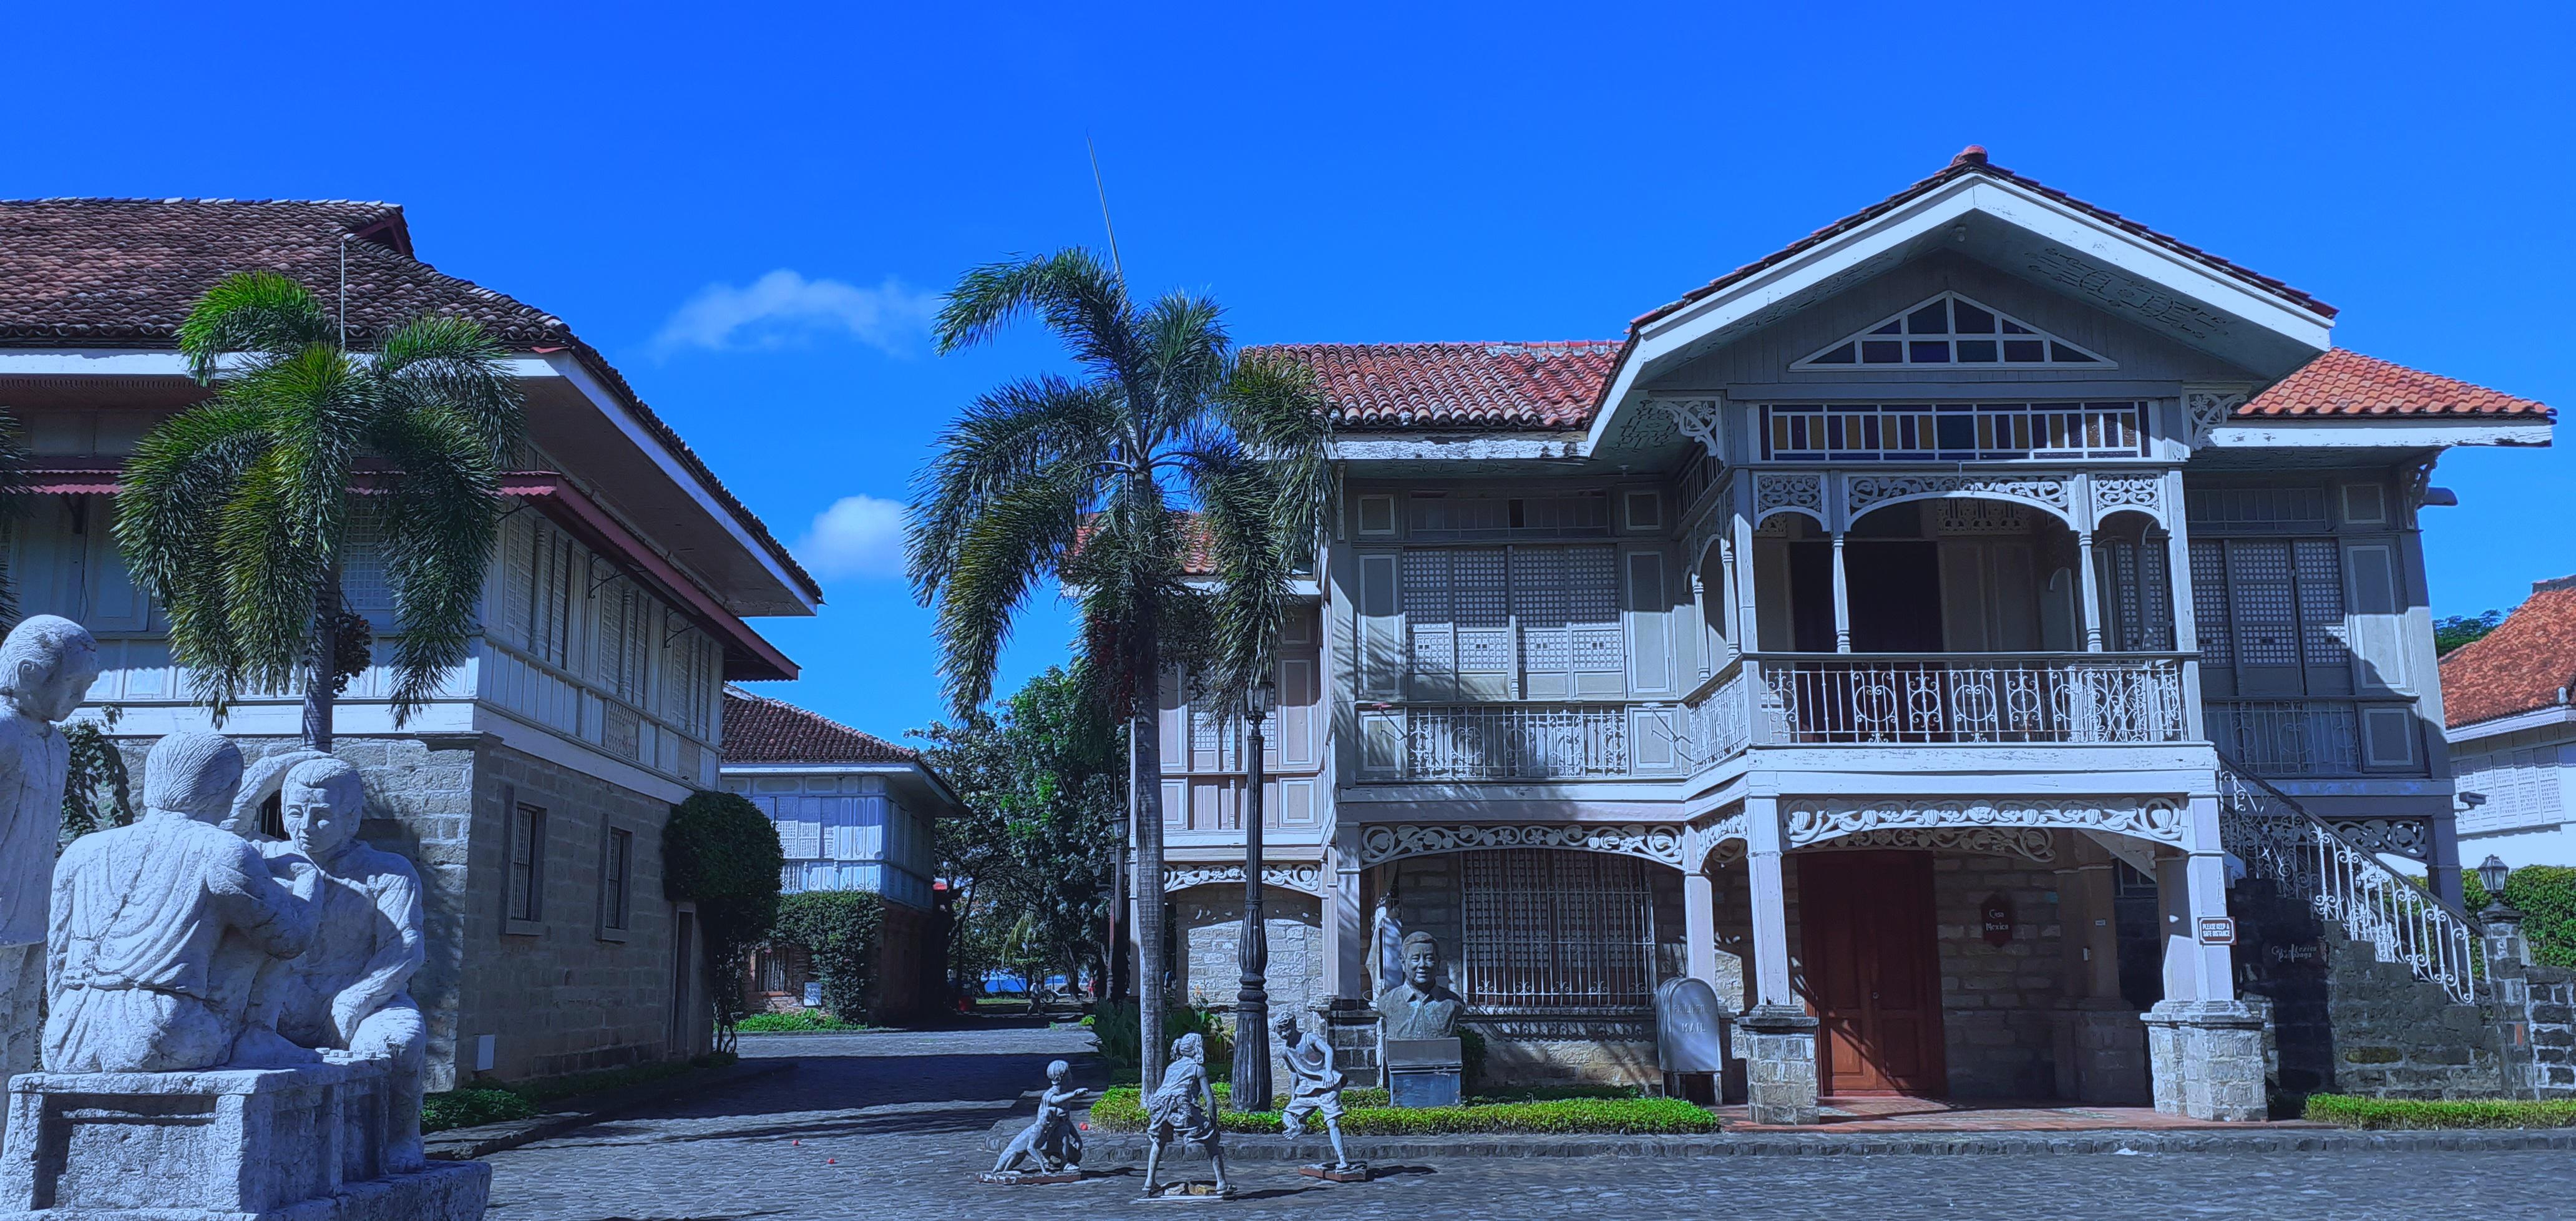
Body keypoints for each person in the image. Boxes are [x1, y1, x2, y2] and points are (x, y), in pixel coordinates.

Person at [44, 732, 317, 1073]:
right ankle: (255, 1037)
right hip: (166, 1032)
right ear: (226, 789)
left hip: (67, 1036)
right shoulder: (222, 850)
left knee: (245, 901)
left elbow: (57, 956)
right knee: (264, 911)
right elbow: (289, 940)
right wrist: (307, 879)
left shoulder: (81, 851)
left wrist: (64, 1021)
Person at [0, 616, 100, 1111]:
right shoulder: (1, 732)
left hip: (33, 913)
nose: (81, 696)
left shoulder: (55, 743)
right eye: (74, 684)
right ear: (27, 673)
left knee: (18, 1036)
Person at [1139, 1031, 1229, 1196]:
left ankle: (1149, 1182)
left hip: (1160, 1108)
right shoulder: (1198, 1068)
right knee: (1211, 1141)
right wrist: (1214, 1124)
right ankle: (1222, 1182)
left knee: (1159, 1142)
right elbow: (1210, 1100)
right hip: (1181, 1107)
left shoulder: (1172, 1067)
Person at [1274, 1009, 1353, 1171]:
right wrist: (1293, 1098)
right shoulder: (1286, 1051)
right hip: (1307, 1087)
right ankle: (1299, 1126)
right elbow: (1294, 1073)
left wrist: (1329, 1072)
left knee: (1332, 1122)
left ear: (1294, 1024)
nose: (1283, 1034)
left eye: (1285, 1029)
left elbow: (1328, 1050)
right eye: (1279, 1031)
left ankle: (1343, 1161)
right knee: (1287, 1115)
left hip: (1327, 1084)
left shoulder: (1309, 1038)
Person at [988, 1058, 1083, 1175]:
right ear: (1059, 1079)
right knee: (1064, 1130)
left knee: (1077, 1155)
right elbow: (1056, 1100)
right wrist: (1074, 1094)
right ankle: (1061, 1162)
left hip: (1053, 1136)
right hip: (1044, 1138)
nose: (1071, 1076)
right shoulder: (1050, 1096)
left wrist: (1077, 1138)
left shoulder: (1065, 1098)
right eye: (1068, 1073)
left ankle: (1055, 1159)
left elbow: (1066, 1120)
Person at [1373, 931, 1465, 1040]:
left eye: (1429, 958)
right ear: (1403, 964)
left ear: (1438, 963)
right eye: (1415, 959)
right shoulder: (1387, 1002)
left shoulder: (1453, 1003)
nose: (1422, 965)